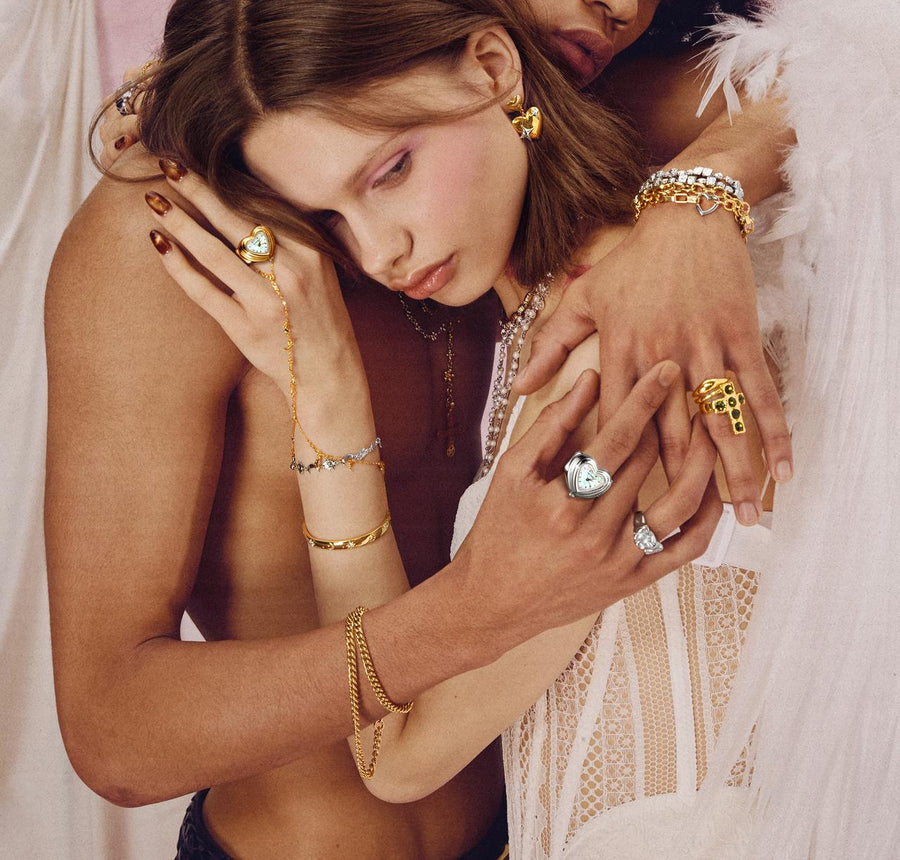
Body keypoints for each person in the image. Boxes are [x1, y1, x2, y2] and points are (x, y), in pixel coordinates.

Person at [47, 1, 790, 858]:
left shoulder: (551, 139)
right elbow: (115, 735)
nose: (380, 254)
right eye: (331, 218)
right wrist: (469, 607)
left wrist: (697, 203)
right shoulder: (192, 235)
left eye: (392, 171)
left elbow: (844, 86)